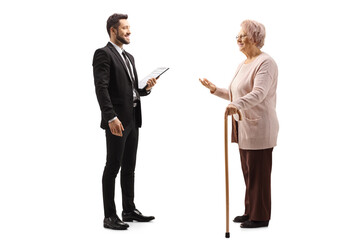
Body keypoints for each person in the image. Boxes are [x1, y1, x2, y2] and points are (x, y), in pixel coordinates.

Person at [199, 20, 279, 228]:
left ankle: (260, 217)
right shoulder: (243, 64)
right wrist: (216, 89)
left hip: (259, 126)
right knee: (249, 171)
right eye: (238, 35)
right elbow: (237, 94)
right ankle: (250, 209)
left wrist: (236, 104)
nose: (239, 39)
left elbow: (259, 94)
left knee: (258, 172)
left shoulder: (266, 62)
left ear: (254, 38)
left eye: (243, 35)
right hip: (243, 126)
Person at [93, 13, 157, 230]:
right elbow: (101, 88)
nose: (129, 31)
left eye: (129, 28)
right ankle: (109, 216)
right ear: (113, 30)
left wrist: (145, 88)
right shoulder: (103, 54)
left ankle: (128, 210)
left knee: (129, 167)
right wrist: (110, 117)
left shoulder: (129, 57)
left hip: (133, 119)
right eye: (125, 28)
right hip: (117, 121)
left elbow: (131, 90)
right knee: (113, 167)